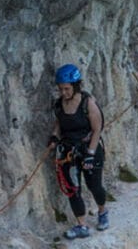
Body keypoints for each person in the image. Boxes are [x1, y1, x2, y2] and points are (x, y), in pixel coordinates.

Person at [48, 64, 109, 239]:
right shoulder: (60, 104)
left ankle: (103, 211)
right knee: (73, 189)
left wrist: (90, 154)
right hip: (69, 152)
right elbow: (60, 123)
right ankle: (81, 225)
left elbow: (97, 129)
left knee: (94, 186)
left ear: (75, 86)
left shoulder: (87, 103)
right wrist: (54, 137)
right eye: (61, 89)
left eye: (67, 89)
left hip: (89, 149)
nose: (64, 93)